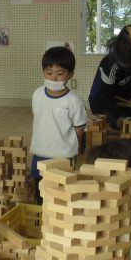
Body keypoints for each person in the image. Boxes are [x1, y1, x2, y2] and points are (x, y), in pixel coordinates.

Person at [30, 46, 87, 204]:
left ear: (70, 75)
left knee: (62, 192)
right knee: (40, 189)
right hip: (40, 152)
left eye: (59, 74)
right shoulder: (37, 95)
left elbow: (79, 128)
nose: (53, 78)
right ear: (43, 71)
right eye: (49, 73)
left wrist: (76, 151)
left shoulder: (74, 101)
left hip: (64, 155)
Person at [88, 40, 131, 130]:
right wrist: (117, 116)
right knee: (118, 123)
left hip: (120, 99)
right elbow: (106, 94)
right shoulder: (111, 64)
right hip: (101, 100)